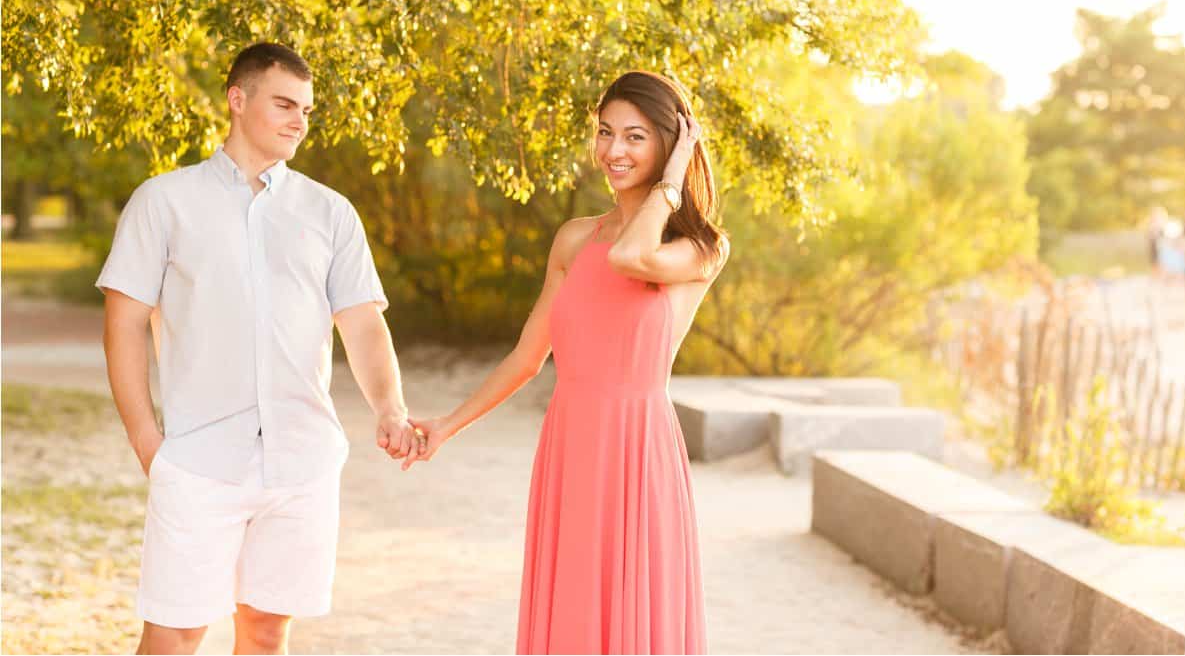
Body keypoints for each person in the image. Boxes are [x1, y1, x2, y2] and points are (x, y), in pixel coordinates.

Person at [97, 43, 423, 655]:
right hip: (198, 461)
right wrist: (147, 440)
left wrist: (390, 409)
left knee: (269, 634)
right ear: (237, 99)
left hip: (303, 464)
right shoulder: (164, 202)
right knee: (174, 632)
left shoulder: (330, 213)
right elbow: (123, 324)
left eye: (306, 108)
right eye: (284, 103)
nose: (299, 120)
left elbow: (363, 326)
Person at [407, 71, 729, 654]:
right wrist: (446, 425)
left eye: (635, 137)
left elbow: (633, 256)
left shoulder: (700, 247)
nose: (613, 151)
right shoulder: (574, 239)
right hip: (570, 447)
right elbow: (528, 358)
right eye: (606, 133)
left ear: (668, 144)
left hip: (638, 451)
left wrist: (675, 183)